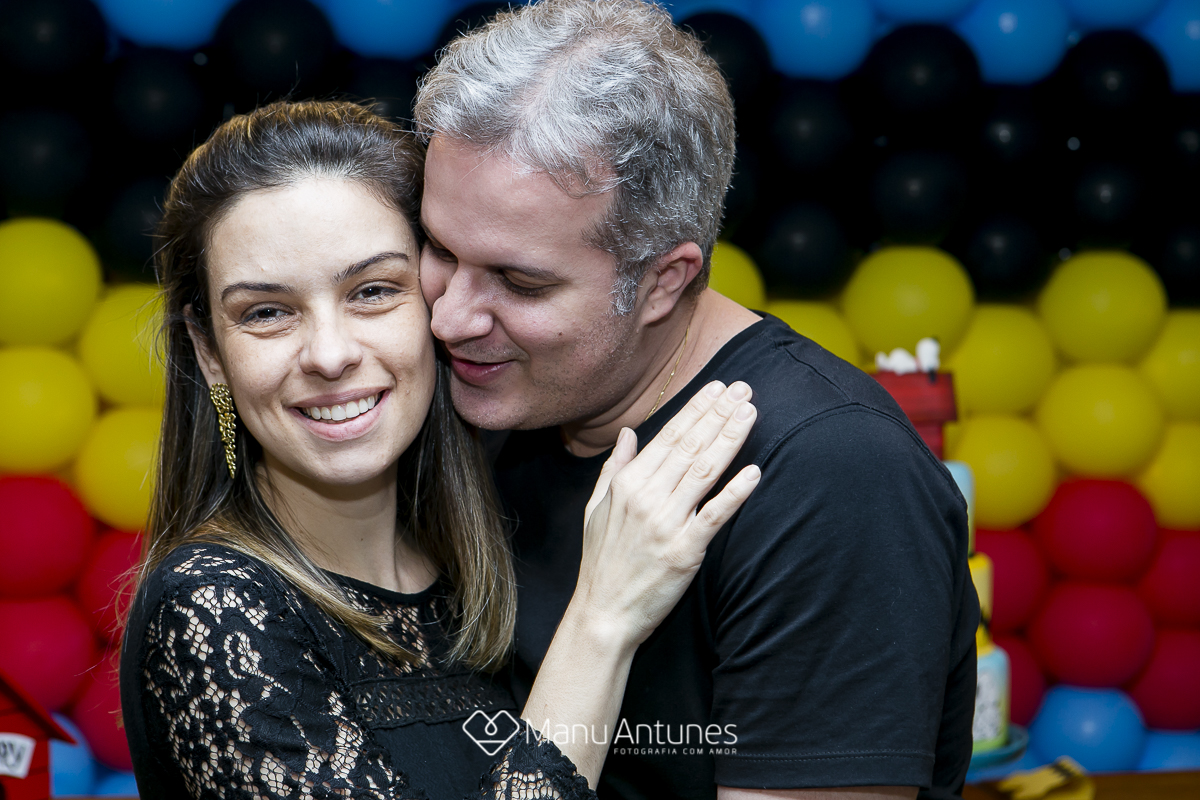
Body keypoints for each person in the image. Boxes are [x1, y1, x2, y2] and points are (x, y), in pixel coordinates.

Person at [412, 2, 980, 799]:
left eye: (520, 282)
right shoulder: (496, 390)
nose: (449, 316)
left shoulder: (830, 474)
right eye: (439, 247)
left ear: (663, 282)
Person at [118, 99, 763, 800]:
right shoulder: (213, 607)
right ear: (211, 352)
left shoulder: (481, 552)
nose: (330, 355)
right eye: (267, 312)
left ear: (439, 301)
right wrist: (602, 621)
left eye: (372, 291)